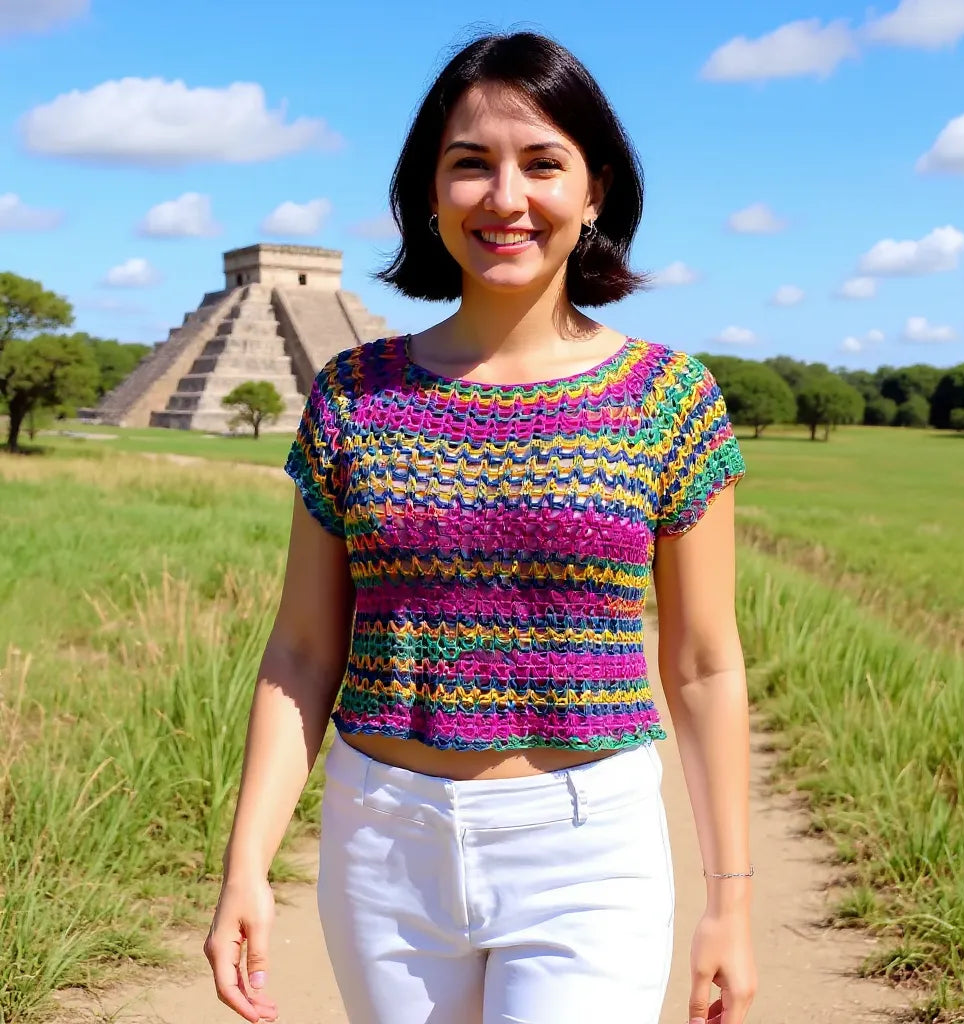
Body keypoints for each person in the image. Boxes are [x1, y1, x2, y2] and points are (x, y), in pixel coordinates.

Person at [205, 29, 756, 1024]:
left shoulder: (667, 397)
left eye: (543, 163)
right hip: (384, 843)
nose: (506, 198)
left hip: (587, 849)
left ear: (595, 193)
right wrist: (245, 866)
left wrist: (731, 899)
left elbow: (704, 662)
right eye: (471, 165)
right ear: (429, 193)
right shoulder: (353, 394)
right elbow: (299, 649)